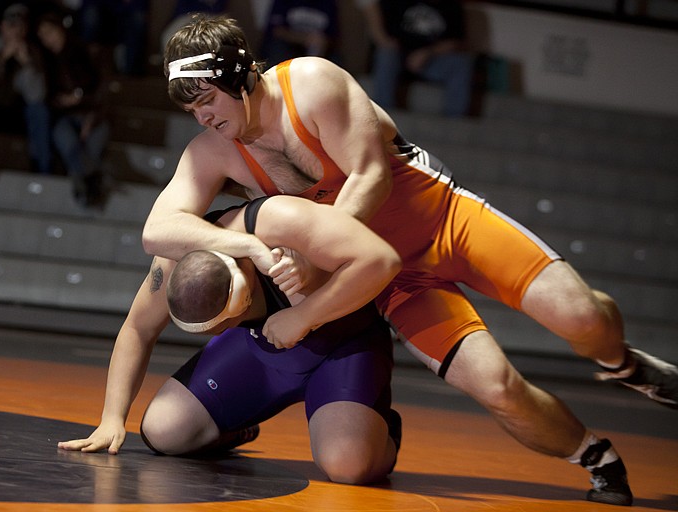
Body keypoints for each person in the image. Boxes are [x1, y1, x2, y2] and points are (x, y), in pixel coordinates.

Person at [142, 14, 678, 505]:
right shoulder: (216, 148)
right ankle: (593, 456)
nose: (201, 116)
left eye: (207, 99)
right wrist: (256, 247)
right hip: (397, 280)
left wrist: (313, 254)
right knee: (496, 386)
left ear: (240, 77)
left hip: (444, 220)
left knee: (581, 316)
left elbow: (370, 175)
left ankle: (622, 363)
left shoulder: (311, 83)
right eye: (191, 108)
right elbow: (158, 230)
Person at [58, 194, 403, 485]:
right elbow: (137, 329)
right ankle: (234, 429)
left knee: (346, 464)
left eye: (225, 324)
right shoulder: (173, 261)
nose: (217, 334)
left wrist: (304, 315)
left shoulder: (279, 220)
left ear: (247, 292)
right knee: (165, 431)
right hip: (262, 350)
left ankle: (382, 431)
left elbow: (381, 261)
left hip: (344, 345)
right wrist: (112, 418)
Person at [0, 2, 52, 174]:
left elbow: (36, 96)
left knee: (39, 112)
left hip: (16, 109)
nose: (16, 31)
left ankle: (42, 171)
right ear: (2, 26)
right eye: (12, 26)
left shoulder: (32, 52)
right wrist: (2, 58)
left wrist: (27, 64)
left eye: (21, 27)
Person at [36, 11, 110, 206]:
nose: (47, 39)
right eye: (42, 36)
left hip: (92, 114)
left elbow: (99, 89)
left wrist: (84, 108)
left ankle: (84, 189)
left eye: (49, 32)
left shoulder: (84, 52)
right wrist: (63, 102)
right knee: (68, 144)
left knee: (92, 146)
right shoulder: (46, 63)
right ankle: (93, 182)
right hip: (64, 117)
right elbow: (48, 97)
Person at [358, 0, 475, 116]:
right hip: (399, 58)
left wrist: (428, 53)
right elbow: (386, 37)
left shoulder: (450, 5)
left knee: (461, 63)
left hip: (432, 61)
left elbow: (457, 43)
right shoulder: (396, 3)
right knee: (386, 55)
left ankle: (455, 120)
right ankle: (383, 115)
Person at [260, 0, 340, 67]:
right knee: (277, 48)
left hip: (315, 49)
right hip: (289, 46)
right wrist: (303, 38)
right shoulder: (284, 1)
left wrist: (322, 42)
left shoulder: (328, 3)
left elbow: (333, 37)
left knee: (335, 59)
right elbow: (276, 30)